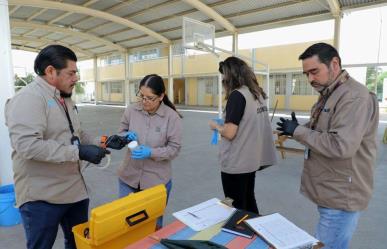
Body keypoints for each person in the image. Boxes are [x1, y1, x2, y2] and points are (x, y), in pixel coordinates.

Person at [5, 45, 109, 249]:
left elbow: (75, 134)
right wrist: (78, 152)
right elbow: (28, 145)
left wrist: (100, 142)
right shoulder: (29, 98)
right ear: (51, 71)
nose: (76, 78)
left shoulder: (63, 97)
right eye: (71, 73)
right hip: (42, 197)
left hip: (74, 191)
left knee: (78, 243)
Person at [276, 43, 379, 249]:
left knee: (327, 245)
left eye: (314, 71)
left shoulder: (353, 97)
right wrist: (297, 128)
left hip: (341, 195)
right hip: (330, 189)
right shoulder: (331, 92)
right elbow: (324, 129)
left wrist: (298, 131)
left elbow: (340, 145)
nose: (310, 79)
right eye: (306, 74)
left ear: (334, 64)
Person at [110, 74, 182, 229]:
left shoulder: (172, 117)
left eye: (150, 98)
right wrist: (124, 136)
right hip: (128, 178)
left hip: (155, 182)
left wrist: (151, 152)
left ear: (161, 96)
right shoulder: (132, 110)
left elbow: (174, 149)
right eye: (141, 96)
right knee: (125, 224)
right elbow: (121, 131)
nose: (144, 101)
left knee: (152, 227)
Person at [209, 56, 277, 214]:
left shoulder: (237, 96)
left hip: (236, 162)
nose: (223, 80)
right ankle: (255, 231)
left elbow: (230, 133)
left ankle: (241, 234)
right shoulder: (256, 94)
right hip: (251, 160)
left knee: (234, 205)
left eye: (224, 76)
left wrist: (216, 126)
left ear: (231, 75)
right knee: (248, 199)